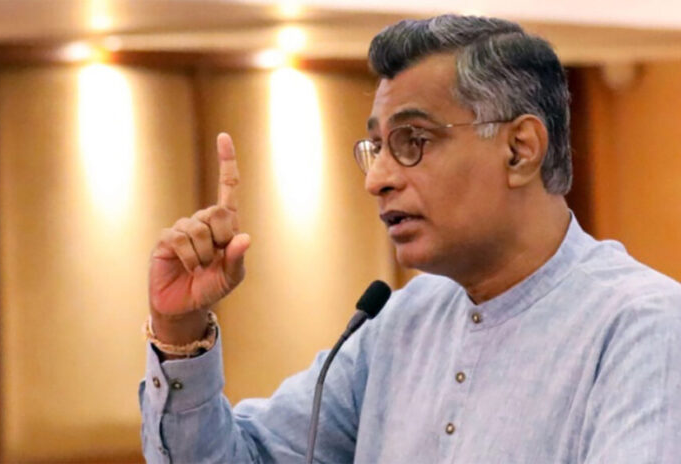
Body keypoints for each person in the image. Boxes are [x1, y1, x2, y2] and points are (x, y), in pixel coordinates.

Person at [139, 14, 681, 464]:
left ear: (519, 150)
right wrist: (180, 330)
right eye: (377, 147)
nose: (377, 179)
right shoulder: (398, 325)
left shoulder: (641, 326)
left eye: (413, 140)